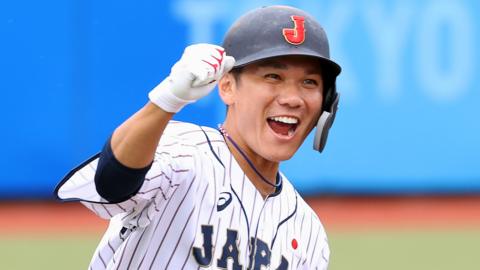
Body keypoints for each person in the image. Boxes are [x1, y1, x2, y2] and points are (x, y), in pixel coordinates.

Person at [55, 5, 341, 270]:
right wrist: (167, 100)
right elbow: (112, 183)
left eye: (309, 82)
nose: (292, 98)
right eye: (272, 77)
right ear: (227, 86)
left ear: (326, 103)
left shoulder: (308, 233)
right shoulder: (182, 154)